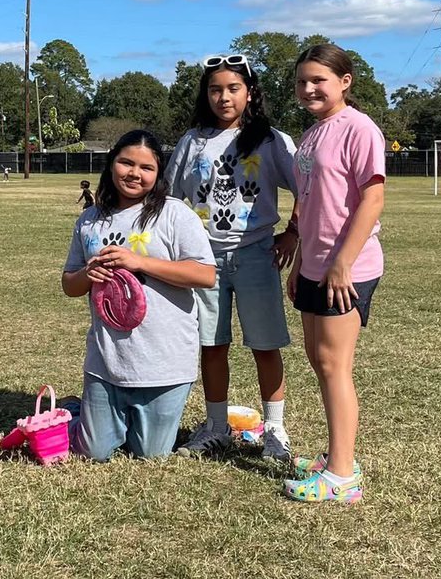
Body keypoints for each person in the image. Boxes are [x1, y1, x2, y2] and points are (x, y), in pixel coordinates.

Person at [167, 54, 299, 462]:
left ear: (250, 93)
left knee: (265, 344)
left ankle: (274, 429)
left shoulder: (270, 139)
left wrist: (292, 234)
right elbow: (171, 199)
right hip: (205, 260)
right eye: (214, 89)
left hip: (258, 254)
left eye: (233, 88)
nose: (223, 97)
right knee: (212, 344)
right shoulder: (193, 142)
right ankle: (216, 426)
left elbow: (306, 189)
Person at [61, 129, 216, 461]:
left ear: (158, 173)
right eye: (126, 163)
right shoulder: (90, 221)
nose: (134, 173)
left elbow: (205, 274)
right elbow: (69, 285)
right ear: (112, 163)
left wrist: (139, 261)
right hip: (107, 362)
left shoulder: (175, 215)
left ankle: (106, 414)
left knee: (150, 454)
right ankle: (77, 410)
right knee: (93, 453)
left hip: (164, 363)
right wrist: (87, 274)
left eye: (146, 167)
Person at [282, 44, 386, 504]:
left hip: (347, 268)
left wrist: (342, 263)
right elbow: (307, 202)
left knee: (334, 365)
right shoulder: (311, 134)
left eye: (318, 80)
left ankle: (343, 477)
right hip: (315, 265)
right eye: (302, 81)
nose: (308, 89)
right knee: (319, 361)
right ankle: (335, 455)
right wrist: (303, 258)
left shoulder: (359, 128)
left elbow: (373, 199)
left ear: (345, 81)